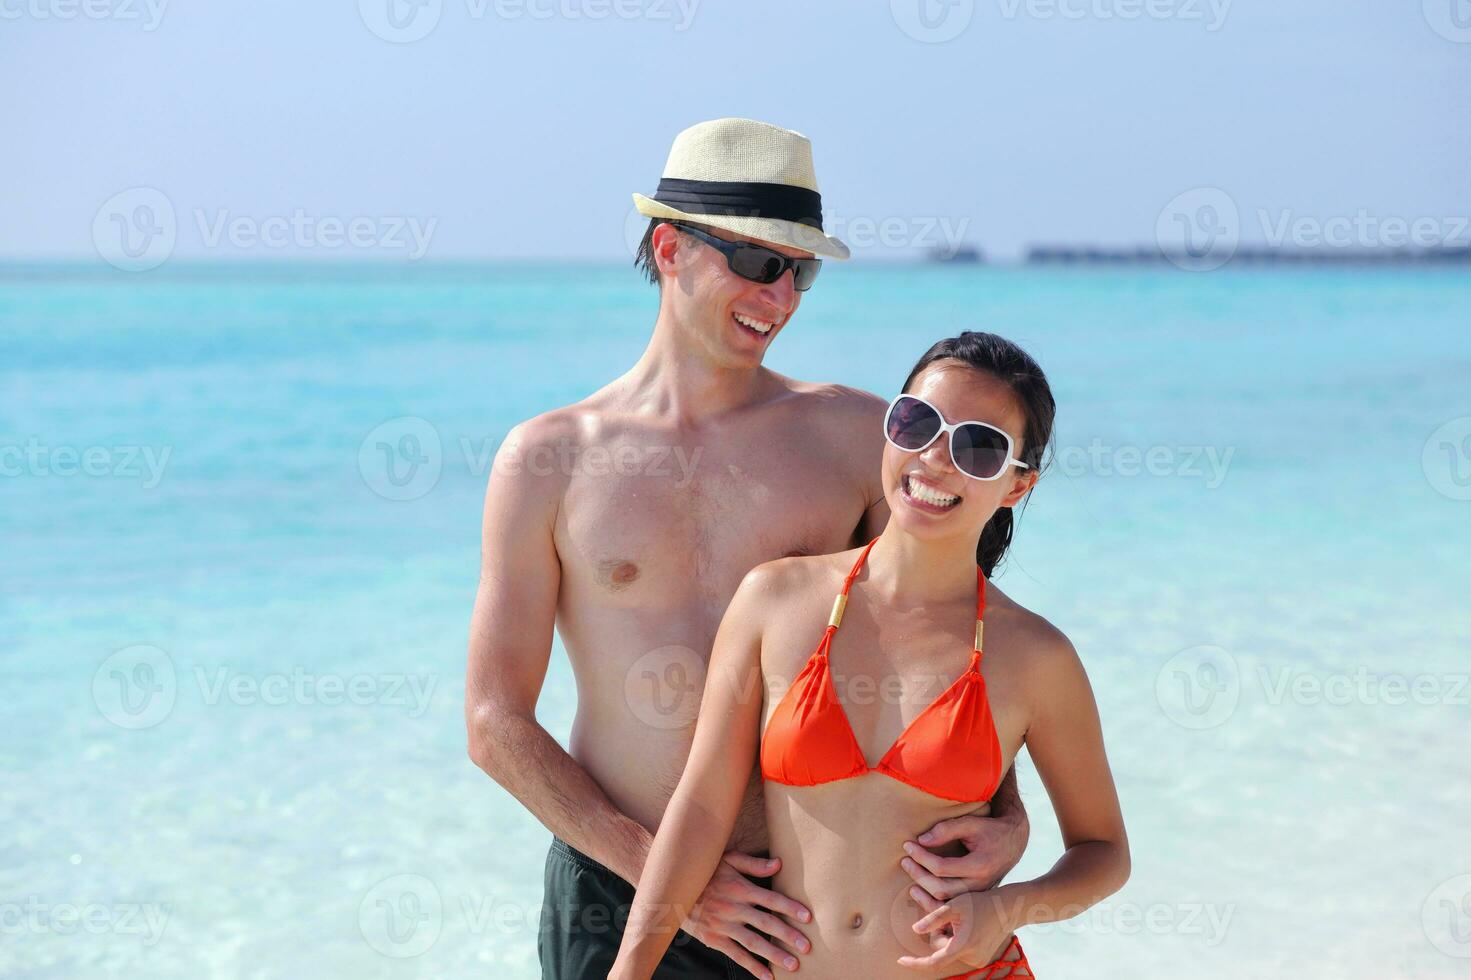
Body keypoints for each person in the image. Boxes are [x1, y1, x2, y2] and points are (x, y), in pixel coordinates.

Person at [464, 120, 1030, 979]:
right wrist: (671, 880)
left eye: (798, 271)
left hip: (810, 908)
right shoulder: (549, 458)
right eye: (758, 262)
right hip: (614, 899)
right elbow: (494, 721)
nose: (781, 296)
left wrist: (1009, 817)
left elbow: (959, 644)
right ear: (669, 249)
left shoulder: (853, 437)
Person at [609, 333, 1131, 979]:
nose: (935, 459)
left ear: (1015, 486)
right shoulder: (774, 600)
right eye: (916, 423)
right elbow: (700, 808)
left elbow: (1103, 852)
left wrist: (1006, 910)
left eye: (977, 446)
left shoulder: (1035, 657)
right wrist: (628, 970)